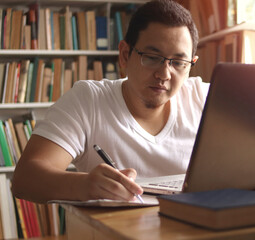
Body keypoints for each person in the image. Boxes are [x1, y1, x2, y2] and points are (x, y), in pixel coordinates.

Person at [12, 0, 210, 203]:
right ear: (125, 55)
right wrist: (85, 185)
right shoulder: (88, 100)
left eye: (178, 63)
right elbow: (25, 179)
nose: (164, 74)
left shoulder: (205, 99)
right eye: (151, 57)